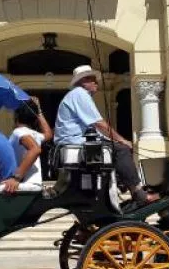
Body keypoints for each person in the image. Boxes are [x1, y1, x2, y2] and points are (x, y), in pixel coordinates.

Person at [54, 65, 158, 206]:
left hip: (75, 141)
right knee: (121, 150)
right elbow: (99, 124)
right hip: (76, 142)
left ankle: (123, 182)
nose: (97, 83)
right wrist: (122, 140)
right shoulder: (80, 94)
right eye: (93, 80)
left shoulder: (76, 95)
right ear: (83, 81)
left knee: (116, 147)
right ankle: (137, 192)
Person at [7, 97, 53, 194]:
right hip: (34, 184)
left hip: (23, 186)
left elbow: (35, 149)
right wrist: (39, 112)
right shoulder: (34, 134)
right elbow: (48, 134)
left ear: (16, 116)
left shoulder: (19, 132)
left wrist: (16, 178)